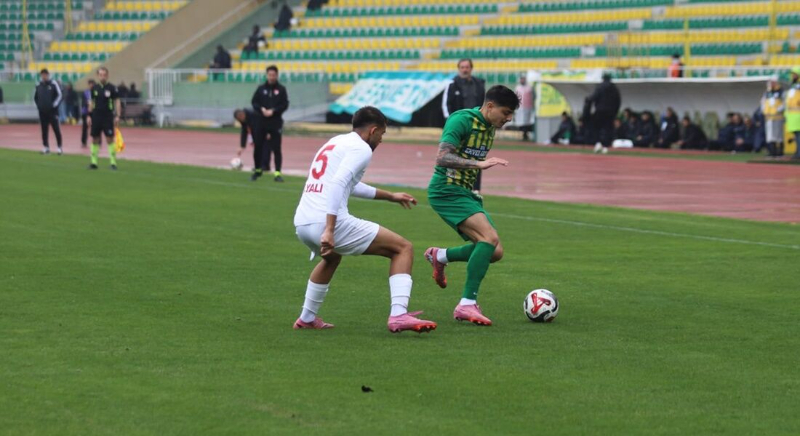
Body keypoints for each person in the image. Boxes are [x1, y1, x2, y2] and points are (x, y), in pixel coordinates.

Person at [292, 106, 437, 333]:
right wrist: (329, 229)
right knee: (403, 248)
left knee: (331, 258)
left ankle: (307, 318)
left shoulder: (336, 142)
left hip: (302, 222)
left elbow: (349, 184)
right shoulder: (362, 148)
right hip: (326, 222)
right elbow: (339, 184)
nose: (381, 140)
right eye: (382, 134)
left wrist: (390, 196)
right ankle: (399, 315)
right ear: (373, 130)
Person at [424, 85, 520, 327]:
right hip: (445, 190)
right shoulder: (462, 120)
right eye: (506, 112)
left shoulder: (489, 127)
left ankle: (441, 255)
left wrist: (474, 187)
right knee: (488, 238)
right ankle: (466, 304)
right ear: (489, 106)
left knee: (494, 252)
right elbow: (442, 157)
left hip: (464, 193)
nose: (508, 119)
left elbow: (474, 160)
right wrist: (479, 166)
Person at [442, 58, 486, 192]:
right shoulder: (452, 84)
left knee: (476, 155)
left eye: (467, 67)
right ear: (458, 68)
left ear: (471, 68)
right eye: (462, 67)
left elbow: (485, 104)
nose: (465, 69)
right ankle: (454, 186)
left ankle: (475, 189)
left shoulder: (479, 84)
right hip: (459, 126)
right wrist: (451, 123)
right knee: (455, 156)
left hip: (477, 127)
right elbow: (445, 105)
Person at [250, 65, 289, 182]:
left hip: (275, 122)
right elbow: (254, 102)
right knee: (258, 147)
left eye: (273, 75)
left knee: (276, 148)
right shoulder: (261, 89)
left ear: (277, 76)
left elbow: (285, 104)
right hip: (261, 121)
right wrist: (261, 109)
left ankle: (277, 173)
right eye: (269, 75)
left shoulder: (281, 90)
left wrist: (274, 111)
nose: (271, 77)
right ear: (266, 75)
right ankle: (258, 170)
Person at [87, 66, 122, 170]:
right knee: (95, 139)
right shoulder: (94, 88)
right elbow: (91, 102)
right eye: (101, 75)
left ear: (107, 75)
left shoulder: (112, 88)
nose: (102, 77)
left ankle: (113, 163)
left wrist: (117, 116)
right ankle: (94, 163)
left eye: (104, 75)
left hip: (107, 116)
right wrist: (89, 115)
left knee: (109, 139)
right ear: (98, 76)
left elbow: (117, 102)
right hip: (96, 116)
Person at [587, 73, 621, 153]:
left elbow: (594, 97)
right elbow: (618, 101)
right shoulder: (614, 88)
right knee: (608, 129)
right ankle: (606, 146)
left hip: (600, 111)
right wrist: (615, 111)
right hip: (610, 112)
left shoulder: (600, 87)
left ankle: (598, 143)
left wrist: (589, 101)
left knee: (596, 128)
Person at [33, 68, 63, 155]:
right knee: (44, 130)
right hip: (42, 112)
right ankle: (46, 147)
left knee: (56, 129)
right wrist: (39, 106)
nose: (44, 76)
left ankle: (59, 147)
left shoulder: (53, 84)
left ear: (48, 75)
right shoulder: (38, 85)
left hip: (52, 112)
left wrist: (54, 105)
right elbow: (36, 97)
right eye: (42, 74)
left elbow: (60, 95)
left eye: (45, 74)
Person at [761, 79, 785, 157]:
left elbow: (785, 102)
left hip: (778, 117)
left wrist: (778, 109)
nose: (771, 84)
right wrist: (764, 110)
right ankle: (772, 151)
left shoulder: (780, 91)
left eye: (772, 82)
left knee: (778, 135)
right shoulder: (767, 92)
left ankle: (779, 152)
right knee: (770, 135)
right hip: (768, 117)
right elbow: (763, 102)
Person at [514, 75, 535, 141]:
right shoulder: (517, 88)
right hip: (520, 107)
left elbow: (534, 96)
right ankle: (523, 134)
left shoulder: (529, 87)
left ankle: (525, 134)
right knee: (520, 121)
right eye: (521, 79)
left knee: (527, 121)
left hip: (528, 107)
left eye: (523, 79)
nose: (522, 80)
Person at [787, 66, 800, 160]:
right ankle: (797, 152)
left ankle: (798, 153)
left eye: (795, 74)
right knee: (796, 136)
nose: (793, 76)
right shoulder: (792, 86)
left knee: (799, 136)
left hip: (798, 115)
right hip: (793, 116)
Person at [80, 79, 95, 148]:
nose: (91, 85)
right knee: (85, 128)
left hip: (94, 112)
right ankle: (84, 141)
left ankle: (97, 141)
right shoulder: (85, 92)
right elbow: (83, 102)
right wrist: (88, 104)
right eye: (90, 84)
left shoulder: (96, 92)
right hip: (86, 112)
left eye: (92, 84)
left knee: (95, 127)